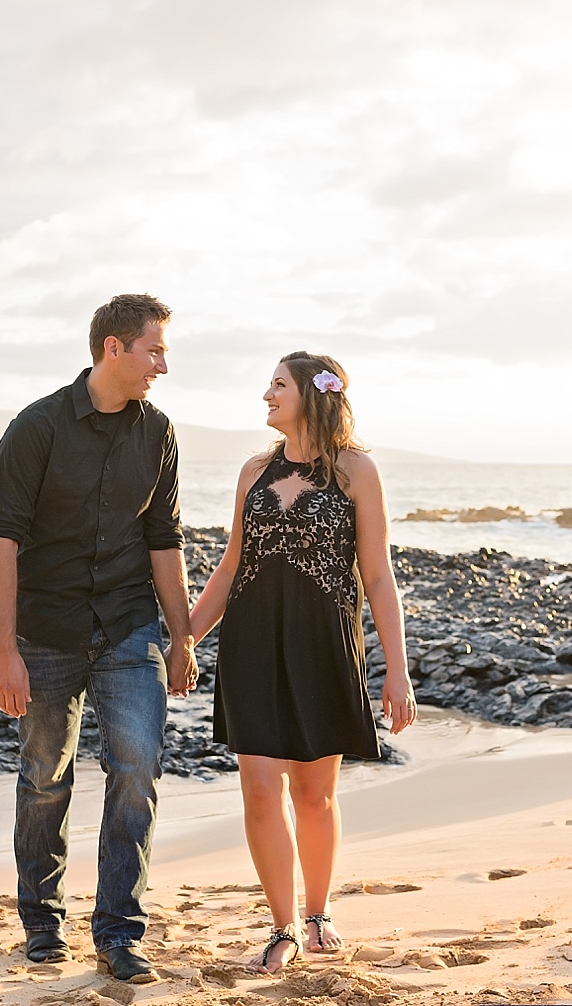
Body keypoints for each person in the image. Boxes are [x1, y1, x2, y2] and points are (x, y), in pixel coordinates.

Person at [0, 293, 199, 986]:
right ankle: (44, 926)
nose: (163, 364)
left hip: (129, 626)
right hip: (45, 631)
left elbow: (163, 540)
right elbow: (2, 541)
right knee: (44, 777)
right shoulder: (36, 427)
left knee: (137, 768)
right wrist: (4, 648)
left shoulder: (159, 433)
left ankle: (118, 930)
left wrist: (184, 634)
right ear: (114, 347)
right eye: (155, 349)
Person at [187, 352, 417, 974]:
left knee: (314, 794)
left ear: (312, 396)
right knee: (261, 790)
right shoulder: (254, 471)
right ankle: (282, 925)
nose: (266, 394)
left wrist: (397, 670)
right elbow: (232, 565)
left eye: (278, 385)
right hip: (253, 644)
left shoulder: (356, 471)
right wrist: (185, 636)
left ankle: (318, 913)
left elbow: (377, 574)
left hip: (322, 644)